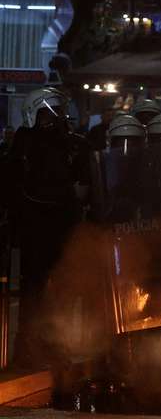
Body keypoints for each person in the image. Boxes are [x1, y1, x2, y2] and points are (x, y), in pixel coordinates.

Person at [2, 87, 92, 367]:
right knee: (37, 290)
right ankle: (32, 348)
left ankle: (50, 346)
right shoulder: (26, 143)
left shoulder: (70, 143)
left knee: (56, 288)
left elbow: (84, 182)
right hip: (36, 226)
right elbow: (10, 182)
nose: (52, 120)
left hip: (58, 225)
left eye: (54, 113)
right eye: (46, 114)